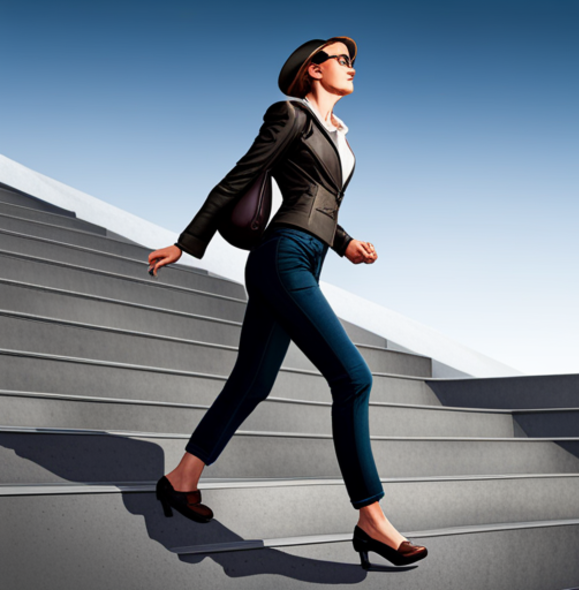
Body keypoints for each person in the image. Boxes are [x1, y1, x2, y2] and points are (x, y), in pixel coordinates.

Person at [147, 37, 428, 569]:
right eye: (340, 60)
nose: (350, 68)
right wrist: (186, 242)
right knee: (354, 378)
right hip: (283, 257)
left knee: (253, 382)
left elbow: (316, 197)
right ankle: (372, 519)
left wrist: (345, 243)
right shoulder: (290, 114)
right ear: (313, 69)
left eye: (352, 61)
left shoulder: (341, 136)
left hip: (308, 256)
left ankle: (180, 480)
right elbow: (239, 176)